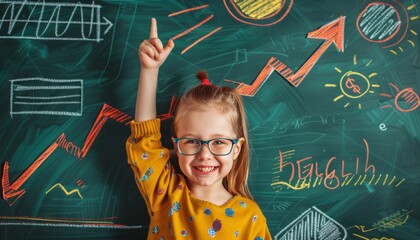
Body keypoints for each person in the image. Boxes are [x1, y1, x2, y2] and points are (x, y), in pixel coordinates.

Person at [126, 18, 272, 240]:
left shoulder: (251, 217)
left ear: (237, 148)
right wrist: (149, 70)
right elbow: (145, 138)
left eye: (219, 142)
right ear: (176, 144)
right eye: (193, 141)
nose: (204, 155)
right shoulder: (165, 192)